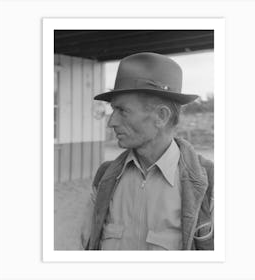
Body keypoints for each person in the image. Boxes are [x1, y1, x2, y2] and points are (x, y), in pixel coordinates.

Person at [81, 52, 214, 250]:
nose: (111, 122)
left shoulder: (210, 182)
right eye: (112, 110)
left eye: (123, 111)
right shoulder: (105, 178)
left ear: (161, 116)